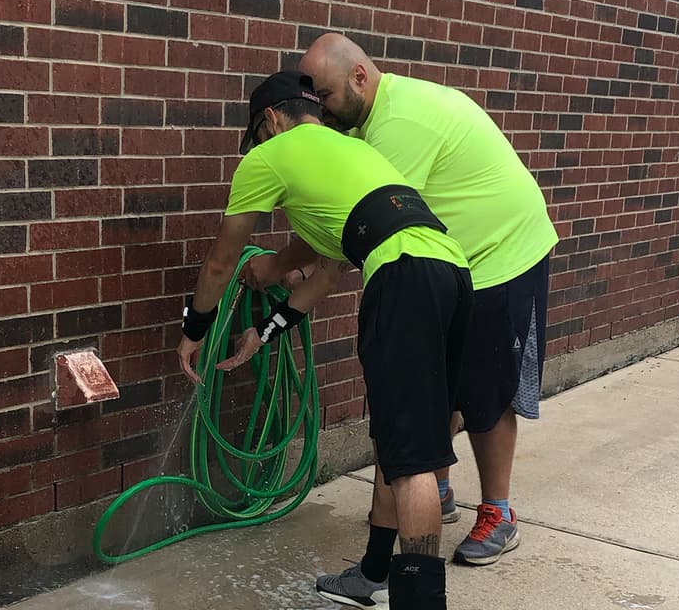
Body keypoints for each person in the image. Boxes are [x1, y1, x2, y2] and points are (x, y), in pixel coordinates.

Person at [244, 33, 557, 597]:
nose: (319, 106)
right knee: (427, 401)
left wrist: (276, 266)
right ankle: (424, 501)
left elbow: (362, 226)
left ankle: (498, 512)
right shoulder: (364, 127)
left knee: (483, 396)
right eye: (310, 95)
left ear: (360, 78)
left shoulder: (395, 129)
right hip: (454, 261)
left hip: (500, 253)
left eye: (326, 93)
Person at [175, 71, 472, 610]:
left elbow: (221, 262)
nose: (260, 149)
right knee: (398, 439)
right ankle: (375, 571)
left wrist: (194, 329)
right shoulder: (347, 153)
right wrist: (263, 334)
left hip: (402, 276)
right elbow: (325, 276)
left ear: (270, 120)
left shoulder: (268, 157)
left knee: (412, 463)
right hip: (453, 273)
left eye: (259, 136)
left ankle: (422, 603)